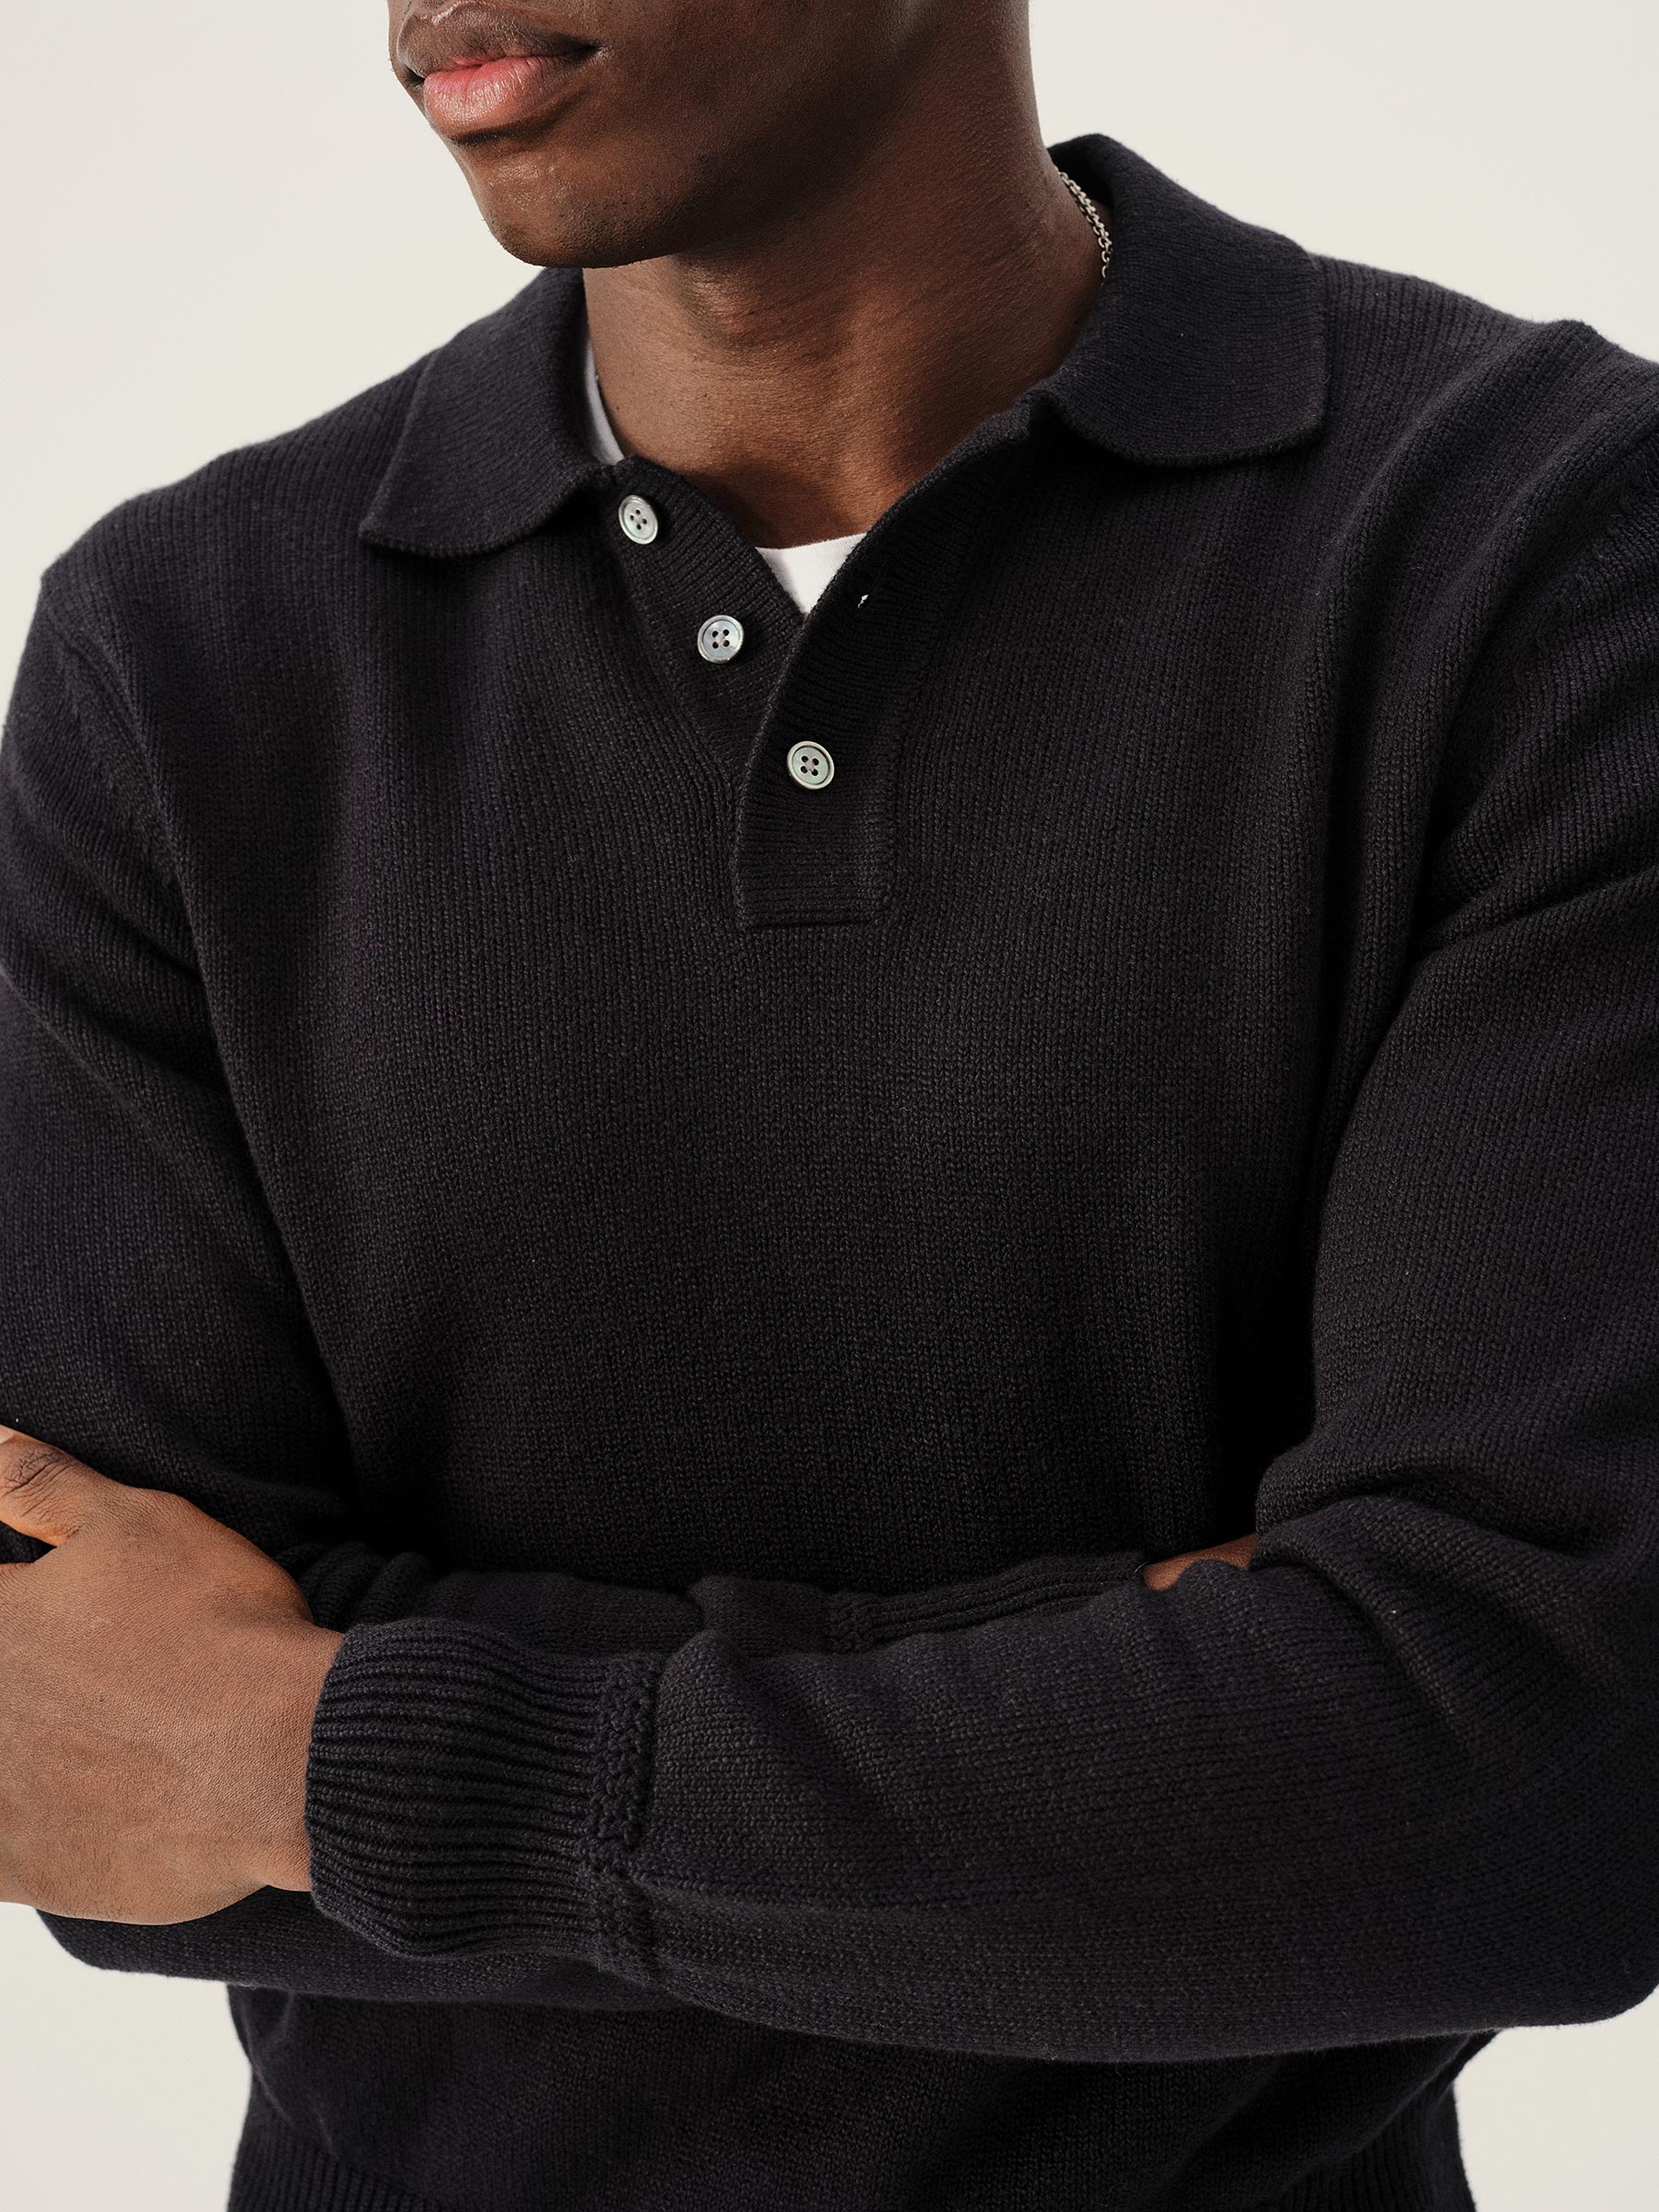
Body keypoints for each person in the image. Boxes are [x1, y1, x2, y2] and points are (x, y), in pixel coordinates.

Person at [2, 0, 1657, 2206]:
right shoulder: (177, 654)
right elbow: (84, 1759)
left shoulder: (1538, 542)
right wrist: (1198, 1694)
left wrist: (323, 1755)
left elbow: (1558, 1774)